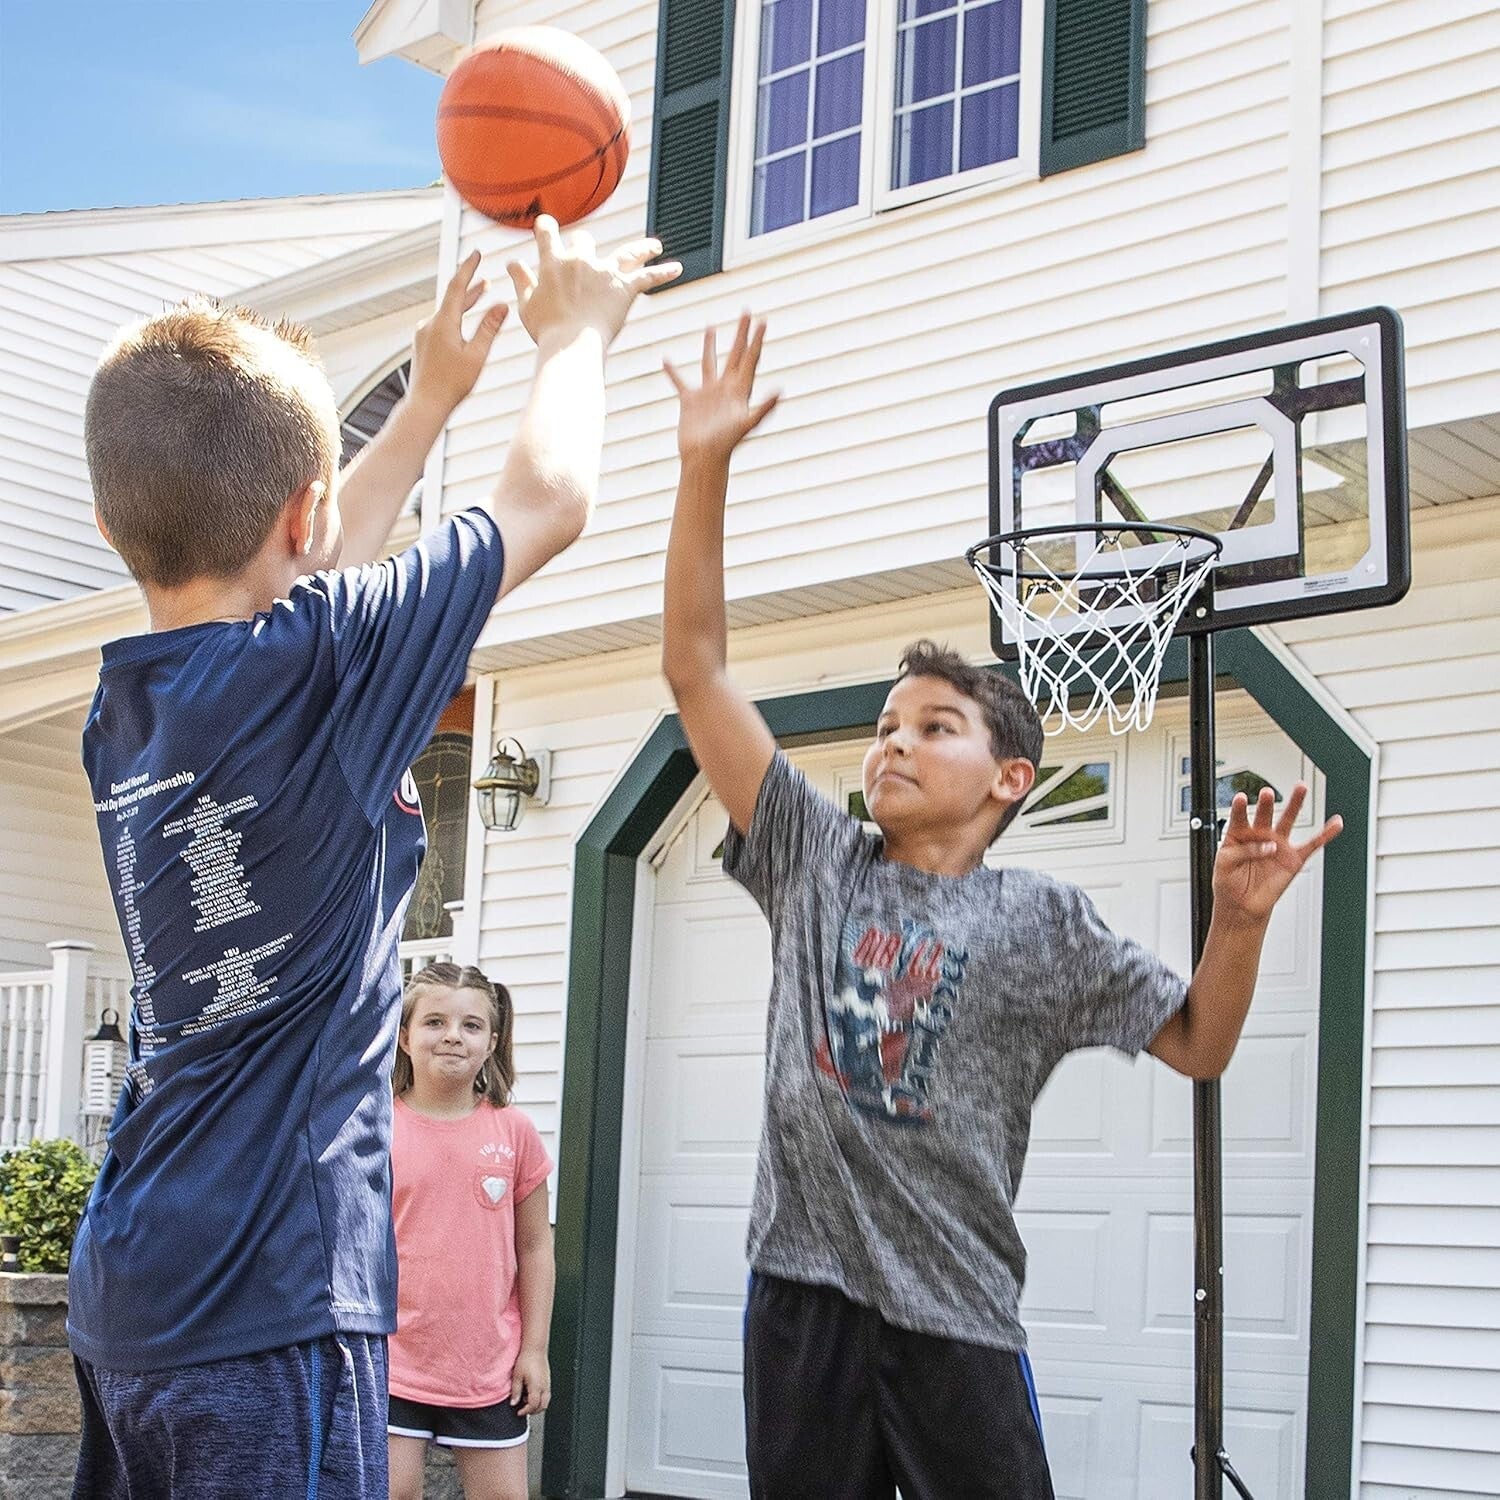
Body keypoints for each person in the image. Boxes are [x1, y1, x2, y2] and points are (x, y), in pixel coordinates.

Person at [659, 316, 1342, 1499]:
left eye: (936, 727)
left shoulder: (1041, 922)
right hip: (802, 1302)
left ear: (1010, 777)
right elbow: (696, 669)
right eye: (886, 726)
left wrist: (1237, 921)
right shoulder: (817, 859)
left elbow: (1199, 1043)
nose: (895, 742)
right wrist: (704, 463)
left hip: (956, 1318)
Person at [69, 219, 679, 1500]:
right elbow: (548, 502)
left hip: (134, 1285)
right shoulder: (318, 660)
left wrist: (431, 398)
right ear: (305, 509)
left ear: (121, 521)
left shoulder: (124, 713)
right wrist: (573, 337)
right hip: (270, 1295)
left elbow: (305, 559)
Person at [386, 963, 552, 1500]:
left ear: (492, 1043)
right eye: (435, 1022)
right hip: (393, 1360)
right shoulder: (377, 1128)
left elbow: (535, 1246)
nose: (453, 1035)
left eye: (471, 1025)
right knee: (391, 1490)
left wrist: (535, 1350)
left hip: (487, 1365)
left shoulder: (514, 1131)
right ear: (405, 1037)